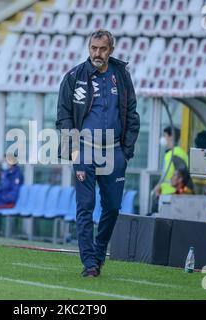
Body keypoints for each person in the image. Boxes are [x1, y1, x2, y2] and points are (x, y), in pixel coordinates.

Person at [56, 29, 140, 277]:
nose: (97, 53)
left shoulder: (121, 75)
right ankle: (89, 263)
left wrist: (126, 152)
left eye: (102, 49)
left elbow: (132, 113)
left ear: (111, 50)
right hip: (84, 150)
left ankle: (99, 252)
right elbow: (63, 115)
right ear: (88, 48)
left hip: (114, 152)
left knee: (113, 207)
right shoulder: (74, 76)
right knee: (85, 207)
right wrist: (71, 150)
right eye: (93, 48)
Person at [155, 126, 189, 196]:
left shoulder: (176, 154)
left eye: (165, 135)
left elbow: (182, 177)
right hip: (166, 193)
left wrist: (177, 192)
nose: (163, 138)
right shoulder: (170, 153)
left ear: (171, 137)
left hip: (174, 195)